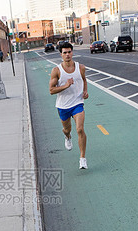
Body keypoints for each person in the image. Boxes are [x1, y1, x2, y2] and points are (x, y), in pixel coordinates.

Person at [48, 41, 88, 169]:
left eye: (69, 52)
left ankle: (82, 158)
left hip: (77, 102)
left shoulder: (80, 67)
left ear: (72, 52)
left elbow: (84, 79)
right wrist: (66, 85)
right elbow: (51, 90)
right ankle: (67, 136)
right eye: (64, 53)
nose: (67, 55)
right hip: (63, 105)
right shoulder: (56, 71)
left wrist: (85, 91)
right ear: (61, 54)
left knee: (80, 129)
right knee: (67, 129)